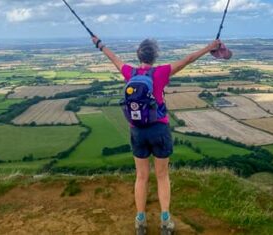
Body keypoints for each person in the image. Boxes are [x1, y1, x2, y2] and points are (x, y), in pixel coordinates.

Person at [92, 36, 221, 234]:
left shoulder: (130, 73)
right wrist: (210, 47)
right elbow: (188, 59)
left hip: (137, 130)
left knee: (141, 176)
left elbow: (113, 57)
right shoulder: (161, 72)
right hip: (159, 129)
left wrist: (99, 43)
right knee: (162, 176)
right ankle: (165, 220)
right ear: (155, 56)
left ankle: (140, 221)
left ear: (138, 55)